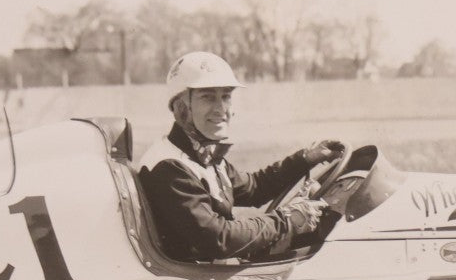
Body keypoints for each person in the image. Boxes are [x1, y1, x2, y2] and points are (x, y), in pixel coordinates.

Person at [138, 51, 344, 263]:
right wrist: (287, 220)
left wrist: (306, 159)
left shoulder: (201, 155)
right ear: (181, 107)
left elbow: (254, 188)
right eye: (207, 97)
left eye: (226, 96)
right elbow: (218, 238)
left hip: (207, 275)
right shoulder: (170, 166)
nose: (221, 109)